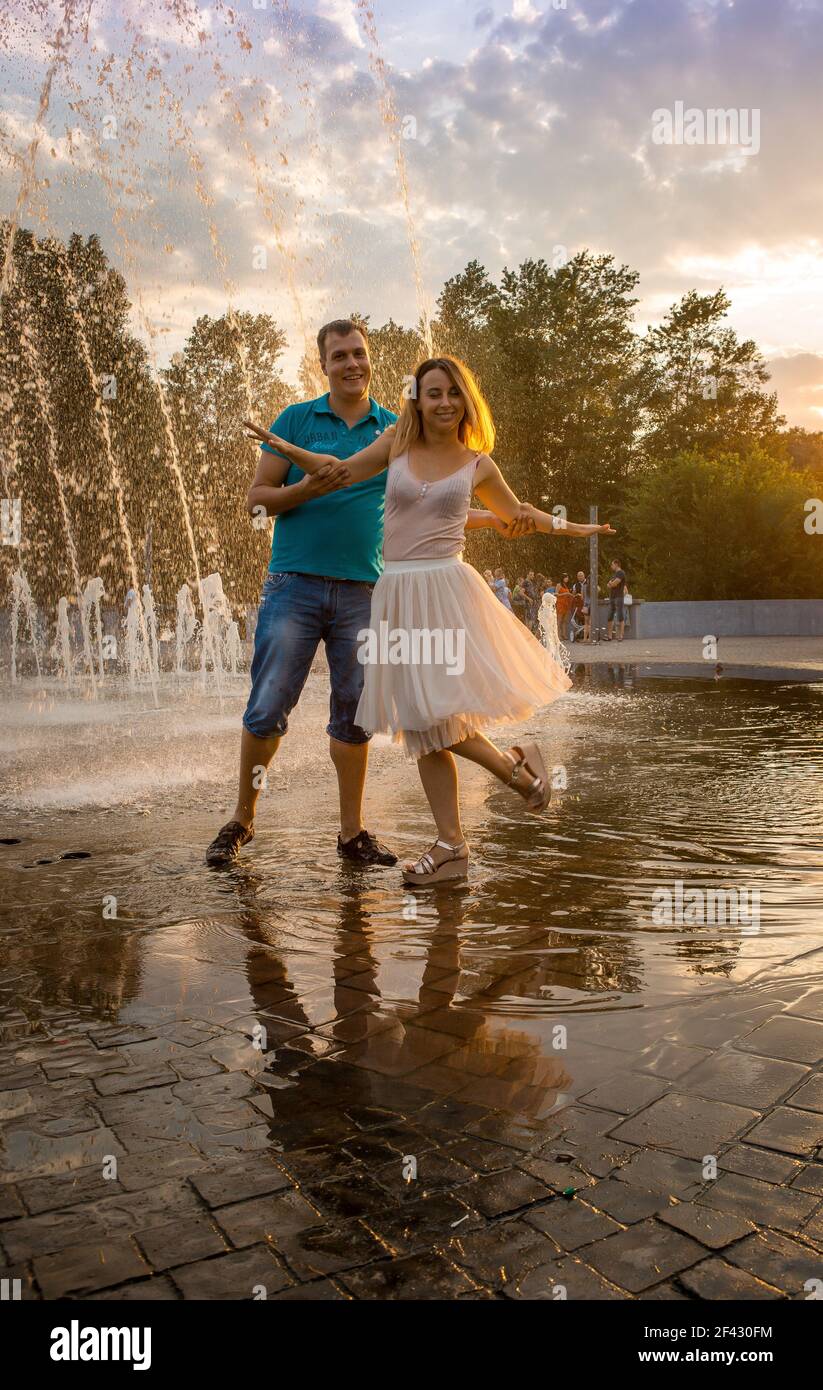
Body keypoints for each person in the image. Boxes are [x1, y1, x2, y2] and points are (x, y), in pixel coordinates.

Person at [245, 354, 615, 886]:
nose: (443, 402)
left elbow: (519, 516)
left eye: (452, 393)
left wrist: (577, 529)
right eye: (433, 393)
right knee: (428, 727)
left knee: (427, 717)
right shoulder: (396, 441)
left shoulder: (477, 463)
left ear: (467, 400)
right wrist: (286, 450)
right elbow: (341, 472)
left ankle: (467, 828)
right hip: (394, 593)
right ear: (418, 400)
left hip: (444, 593)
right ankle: (491, 802)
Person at [207, 321, 527, 869]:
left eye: (359, 353)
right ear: (323, 365)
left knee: (355, 714)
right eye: (339, 356)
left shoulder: (397, 427)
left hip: (368, 591)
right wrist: (307, 488)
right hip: (295, 583)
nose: (352, 363)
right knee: (267, 703)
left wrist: (496, 520)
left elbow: (432, 500)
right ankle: (242, 819)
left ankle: (352, 833)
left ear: (371, 360)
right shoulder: (296, 419)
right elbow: (256, 502)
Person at [607, 557, 627, 641]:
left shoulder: (621, 573)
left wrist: (611, 583)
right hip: (612, 597)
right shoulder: (614, 574)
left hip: (619, 597)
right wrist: (611, 583)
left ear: (616, 564)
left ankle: (620, 636)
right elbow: (608, 585)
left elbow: (614, 584)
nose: (611, 566)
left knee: (620, 615)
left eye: (612, 564)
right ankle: (609, 636)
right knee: (610, 616)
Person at [554, 576, 574, 641]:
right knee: (559, 620)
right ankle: (558, 635)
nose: (567, 579)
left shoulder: (566, 585)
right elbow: (556, 594)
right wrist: (566, 593)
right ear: (562, 578)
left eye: (567, 578)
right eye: (565, 577)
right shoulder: (558, 585)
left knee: (565, 621)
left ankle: (564, 635)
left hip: (566, 604)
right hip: (560, 604)